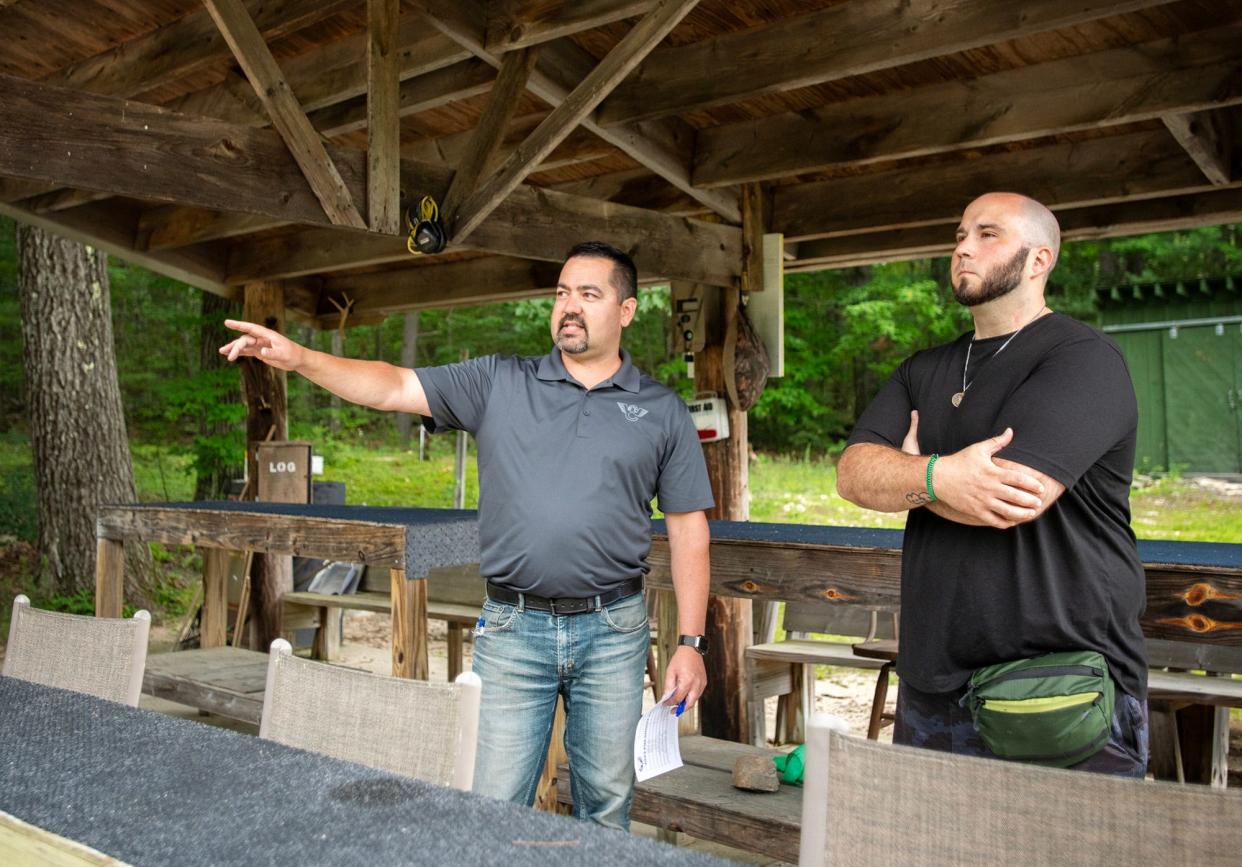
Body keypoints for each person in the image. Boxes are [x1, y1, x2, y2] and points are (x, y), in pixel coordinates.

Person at [220, 241, 714, 828]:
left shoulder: (661, 410)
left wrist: (691, 641)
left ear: (626, 311)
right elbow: (391, 386)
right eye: (561, 293)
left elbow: (689, 533)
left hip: (614, 630)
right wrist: (301, 357)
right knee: (492, 804)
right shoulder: (498, 381)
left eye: (589, 294)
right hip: (513, 628)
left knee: (606, 807)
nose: (570, 307)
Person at [836, 192, 1148, 776]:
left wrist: (909, 474)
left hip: (1059, 681)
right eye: (959, 235)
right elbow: (852, 474)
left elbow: (1011, 498)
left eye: (987, 234)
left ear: (1038, 261)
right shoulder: (922, 367)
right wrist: (941, 474)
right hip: (933, 681)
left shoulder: (1083, 359)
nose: (962, 248)